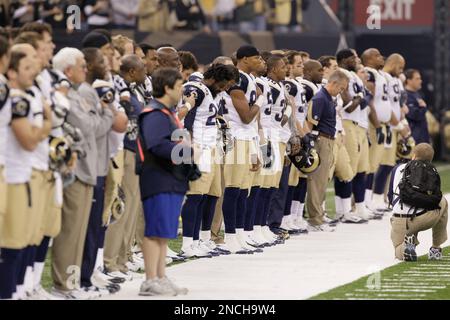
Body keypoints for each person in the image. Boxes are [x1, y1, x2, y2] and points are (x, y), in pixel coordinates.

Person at [137, 67, 191, 296]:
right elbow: (156, 144)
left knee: (164, 231)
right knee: (155, 230)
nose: (182, 92)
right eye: (178, 87)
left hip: (170, 177)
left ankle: (160, 276)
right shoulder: (155, 113)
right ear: (167, 88)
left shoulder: (167, 113)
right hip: (157, 176)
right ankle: (150, 280)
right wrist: (184, 149)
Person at [305, 70, 349, 231]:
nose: (341, 91)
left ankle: (319, 215)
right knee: (316, 181)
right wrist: (309, 144)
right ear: (334, 83)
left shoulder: (329, 98)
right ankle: (315, 219)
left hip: (329, 140)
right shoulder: (320, 98)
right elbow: (310, 124)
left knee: (323, 180)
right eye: (341, 88)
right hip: (320, 140)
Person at [388, 143, 447, 261]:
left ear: (413, 155)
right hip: (423, 219)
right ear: (431, 159)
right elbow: (435, 199)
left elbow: (390, 197)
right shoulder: (431, 171)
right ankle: (436, 248)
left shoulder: (398, 168)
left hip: (399, 220)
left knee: (398, 250)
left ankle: (405, 246)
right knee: (443, 202)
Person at [404, 69, 430, 144]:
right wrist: (423, 107)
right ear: (409, 80)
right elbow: (414, 115)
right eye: (417, 79)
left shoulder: (418, 94)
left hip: (422, 136)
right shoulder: (405, 96)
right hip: (413, 137)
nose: (420, 81)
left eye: (420, 78)